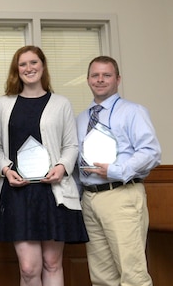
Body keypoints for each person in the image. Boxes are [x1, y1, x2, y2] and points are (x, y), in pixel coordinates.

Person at [0, 46, 88, 286]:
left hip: (53, 192)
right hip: (17, 191)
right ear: (17, 70)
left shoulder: (61, 103)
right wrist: (5, 169)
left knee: (52, 263)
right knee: (28, 268)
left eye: (34, 62)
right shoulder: (4, 104)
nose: (29, 68)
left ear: (43, 66)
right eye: (23, 64)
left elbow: (71, 145)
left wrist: (62, 168)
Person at [76, 56, 161, 286]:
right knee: (102, 277)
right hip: (90, 198)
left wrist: (116, 170)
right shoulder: (82, 119)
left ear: (118, 79)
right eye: (95, 75)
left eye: (107, 75)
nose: (100, 80)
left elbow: (151, 152)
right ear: (88, 80)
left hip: (121, 195)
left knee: (132, 274)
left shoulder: (133, 112)